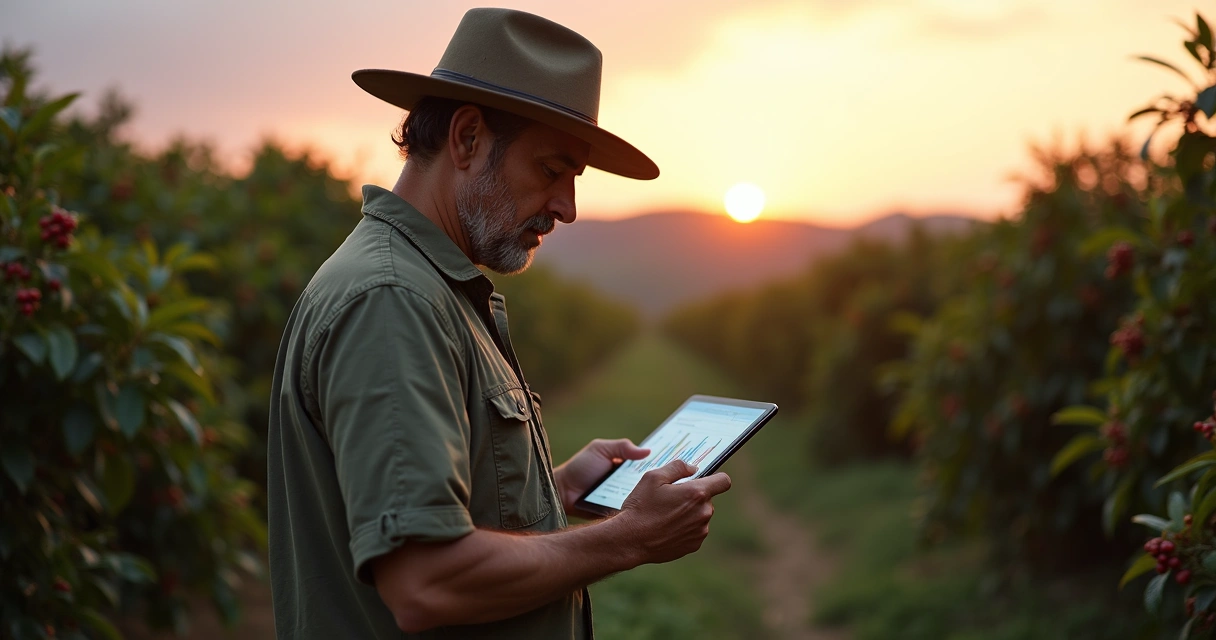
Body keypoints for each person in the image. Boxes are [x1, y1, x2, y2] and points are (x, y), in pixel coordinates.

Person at [267, 8, 731, 639]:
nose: (567, 207)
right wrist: (628, 538)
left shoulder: (427, 287)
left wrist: (558, 488)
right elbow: (427, 580)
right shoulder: (394, 300)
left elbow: (431, 508)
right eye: (551, 170)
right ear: (466, 139)